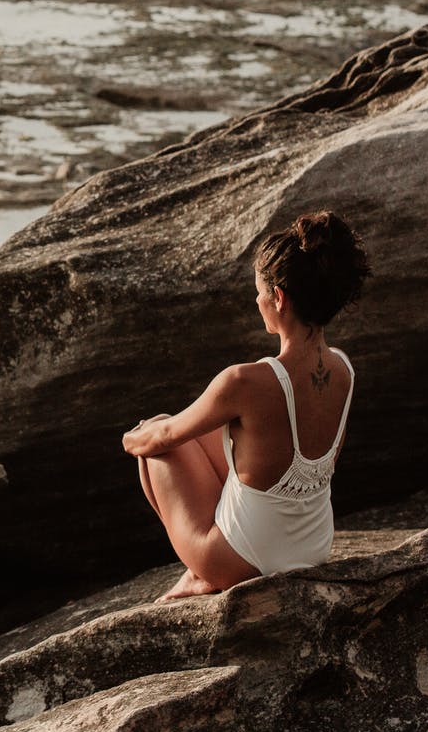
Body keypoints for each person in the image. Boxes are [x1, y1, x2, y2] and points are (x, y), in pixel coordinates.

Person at [121, 211, 371, 600]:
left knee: (156, 442)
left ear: (280, 298)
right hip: (313, 548)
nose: (257, 300)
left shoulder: (244, 382)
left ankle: (203, 572)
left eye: (260, 292)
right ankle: (209, 564)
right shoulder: (344, 369)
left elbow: (166, 435)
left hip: (245, 561)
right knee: (212, 442)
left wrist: (131, 439)